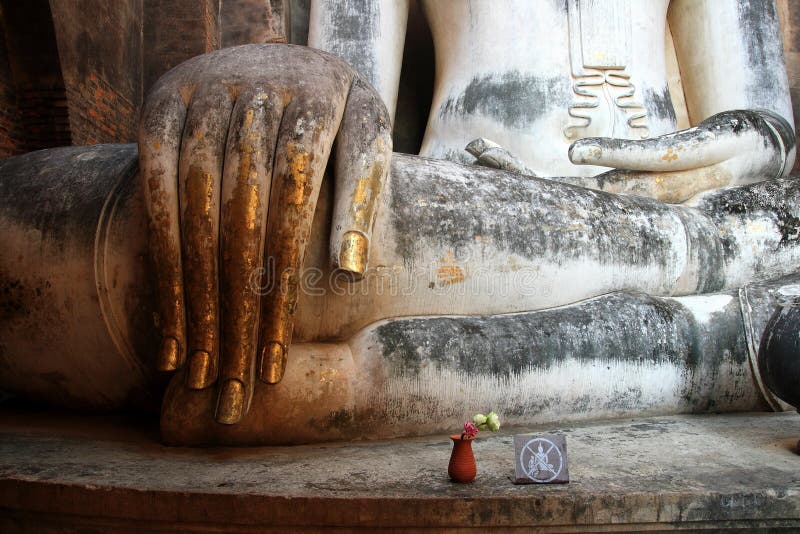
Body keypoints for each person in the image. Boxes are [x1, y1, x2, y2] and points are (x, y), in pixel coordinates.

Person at [0, 1, 796, 444]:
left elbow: (768, 122)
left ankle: (713, 324)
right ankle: (725, 338)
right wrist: (292, 75)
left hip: (706, 210)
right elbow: (350, 90)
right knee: (275, 239)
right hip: (464, 203)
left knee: (762, 242)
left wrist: (761, 140)